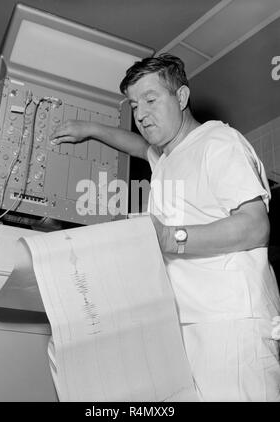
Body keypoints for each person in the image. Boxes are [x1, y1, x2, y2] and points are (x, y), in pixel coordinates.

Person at [50, 54, 280, 402]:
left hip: (231, 323)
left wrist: (168, 238)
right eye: (133, 104)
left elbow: (254, 227)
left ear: (182, 98)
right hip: (187, 323)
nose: (140, 114)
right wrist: (91, 130)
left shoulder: (219, 143)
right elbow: (140, 147)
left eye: (151, 99)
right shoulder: (169, 156)